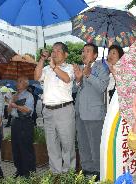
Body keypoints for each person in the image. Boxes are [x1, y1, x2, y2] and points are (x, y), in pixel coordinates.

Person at [34, 42, 76, 174]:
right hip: (48, 111)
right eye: (53, 50)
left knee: (67, 145)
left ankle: (69, 175)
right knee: (52, 145)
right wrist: (41, 59)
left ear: (66, 54)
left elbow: (67, 79)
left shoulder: (69, 67)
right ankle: (56, 173)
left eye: (58, 50)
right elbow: (36, 76)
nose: (55, 53)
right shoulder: (46, 69)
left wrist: (54, 67)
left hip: (64, 110)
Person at [73, 43, 110, 179]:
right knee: (83, 144)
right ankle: (87, 170)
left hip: (94, 114)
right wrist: (78, 80)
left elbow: (102, 87)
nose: (84, 53)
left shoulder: (101, 68)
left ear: (95, 55)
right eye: (83, 51)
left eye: (88, 51)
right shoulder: (80, 68)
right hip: (80, 113)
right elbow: (74, 89)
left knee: (95, 145)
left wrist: (88, 76)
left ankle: (98, 173)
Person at [8, 76, 36, 177]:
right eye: (17, 81)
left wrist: (17, 106)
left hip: (25, 123)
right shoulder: (14, 95)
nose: (17, 83)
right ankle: (19, 170)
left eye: (20, 81)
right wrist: (11, 102)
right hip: (15, 123)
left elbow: (29, 111)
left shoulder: (29, 96)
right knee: (15, 147)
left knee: (26, 147)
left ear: (25, 84)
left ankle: (28, 172)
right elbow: (8, 112)